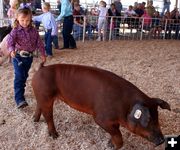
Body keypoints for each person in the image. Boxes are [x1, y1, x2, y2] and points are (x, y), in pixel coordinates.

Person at [7, 6, 46, 109]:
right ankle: (19, 99)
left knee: (24, 76)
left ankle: (21, 91)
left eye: (27, 20)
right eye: (22, 20)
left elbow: (39, 42)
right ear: (17, 19)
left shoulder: (33, 31)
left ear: (31, 19)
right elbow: (10, 41)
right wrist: (11, 50)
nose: (25, 22)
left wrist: (42, 53)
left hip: (29, 58)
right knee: (19, 76)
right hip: (18, 56)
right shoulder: (15, 30)